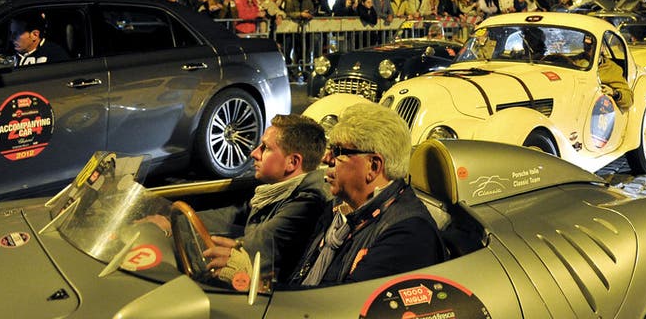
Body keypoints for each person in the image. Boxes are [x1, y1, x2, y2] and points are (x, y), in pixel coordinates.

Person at [142, 114, 330, 284]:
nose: (254, 153)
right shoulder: (274, 193)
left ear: (292, 162)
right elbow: (230, 218)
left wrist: (174, 241)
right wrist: (171, 223)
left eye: (265, 148)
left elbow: (255, 248)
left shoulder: (306, 204)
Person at [291, 102, 443, 287]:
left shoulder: (408, 236)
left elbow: (344, 305)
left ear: (373, 166)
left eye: (338, 151)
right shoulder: (339, 208)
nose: (326, 158)